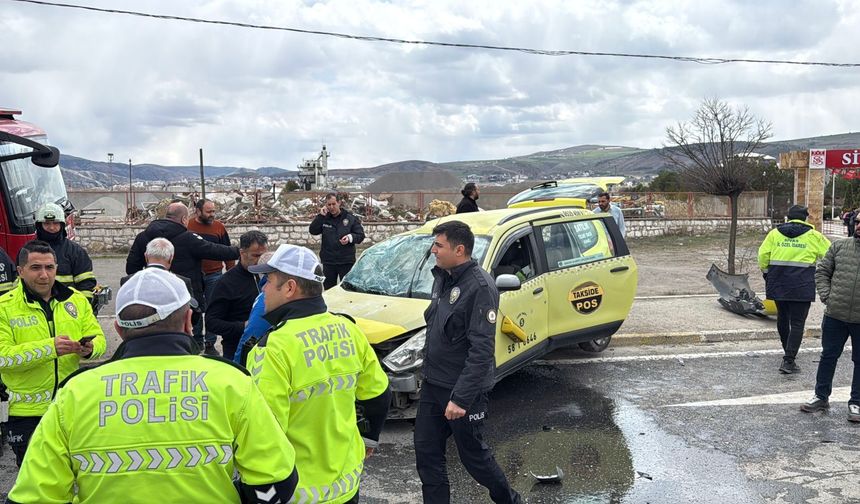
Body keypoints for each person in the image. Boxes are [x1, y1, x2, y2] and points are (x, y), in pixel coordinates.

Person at [6, 267, 299, 503]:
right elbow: (277, 484)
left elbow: (34, 496)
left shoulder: (75, 393)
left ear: (119, 330)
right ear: (188, 321)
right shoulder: (231, 383)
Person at [247, 244, 390, 504]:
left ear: (290, 288)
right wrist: (370, 438)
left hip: (297, 491)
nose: (264, 289)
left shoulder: (273, 348)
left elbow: (264, 435)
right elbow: (379, 393)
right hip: (346, 484)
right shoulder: (348, 329)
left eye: (269, 281)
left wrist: (260, 495)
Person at [414, 221, 522, 504]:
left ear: (459, 249)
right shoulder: (443, 277)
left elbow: (482, 350)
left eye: (439, 245)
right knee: (427, 455)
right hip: (434, 384)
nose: (433, 251)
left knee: (474, 458)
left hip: (463, 392)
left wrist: (461, 399)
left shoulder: (480, 287)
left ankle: (510, 500)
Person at [0, 240, 105, 467]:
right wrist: (50, 348)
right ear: (20, 271)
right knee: (36, 478)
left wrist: (89, 349)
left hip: (70, 407)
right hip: (26, 414)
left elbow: (99, 339)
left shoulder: (76, 300)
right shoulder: (4, 307)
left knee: (73, 472)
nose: (44, 275)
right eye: (36, 268)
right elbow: (3, 357)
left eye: (49, 267)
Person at [125, 201, 239, 351]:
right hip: (185, 297)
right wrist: (241, 251)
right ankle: (193, 350)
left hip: (153, 297)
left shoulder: (143, 237)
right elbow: (215, 250)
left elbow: (131, 268)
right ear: (184, 219)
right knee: (186, 330)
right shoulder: (189, 238)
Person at [758, 205, 830, 374]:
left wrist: (767, 273)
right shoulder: (813, 236)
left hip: (778, 282)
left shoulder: (774, 234)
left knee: (782, 317)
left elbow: (762, 255)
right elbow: (830, 254)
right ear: (805, 218)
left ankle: (788, 351)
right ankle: (789, 360)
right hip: (802, 284)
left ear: (788, 217)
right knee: (797, 323)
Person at [801, 218, 860, 420]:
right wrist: (827, 297)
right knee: (828, 356)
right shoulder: (839, 246)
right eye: (858, 222)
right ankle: (821, 396)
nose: (859, 226)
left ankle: (856, 403)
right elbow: (822, 272)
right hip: (835, 315)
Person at [205, 230, 268, 359]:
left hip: (267, 348)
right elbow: (211, 322)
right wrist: (243, 326)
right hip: (237, 350)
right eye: (255, 255)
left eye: (263, 255)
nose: (260, 260)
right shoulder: (226, 282)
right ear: (242, 253)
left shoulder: (270, 276)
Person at [187, 198, 235, 356]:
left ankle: (210, 343)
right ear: (198, 211)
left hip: (214, 275)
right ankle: (196, 340)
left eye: (214, 211)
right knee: (195, 308)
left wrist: (231, 272)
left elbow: (227, 251)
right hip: (194, 276)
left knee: (213, 309)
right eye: (209, 211)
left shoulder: (219, 227)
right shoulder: (188, 227)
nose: (212, 214)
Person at [120, 237, 200, 325]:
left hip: (137, 334)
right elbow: (193, 317)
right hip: (172, 332)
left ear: (146, 256)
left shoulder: (127, 281)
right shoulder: (182, 281)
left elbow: (123, 313)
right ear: (171, 258)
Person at [34, 202, 97, 304]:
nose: (51, 227)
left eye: (55, 223)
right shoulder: (28, 251)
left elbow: (86, 285)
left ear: (62, 225)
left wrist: (81, 308)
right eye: (47, 223)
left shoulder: (76, 252)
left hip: (68, 310)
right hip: (37, 308)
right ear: (39, 225)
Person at [308, 193, 365, 290]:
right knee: (329, 290)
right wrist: (320, 216)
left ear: (339, 203)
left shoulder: (350, 218)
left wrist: (350, 237)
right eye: (329, 205)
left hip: (346, 261)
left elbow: (360, 236)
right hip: (329, 262)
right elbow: (313, 230)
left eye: (334, 204)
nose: (331, 207)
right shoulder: (324, 218)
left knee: (347, 290)